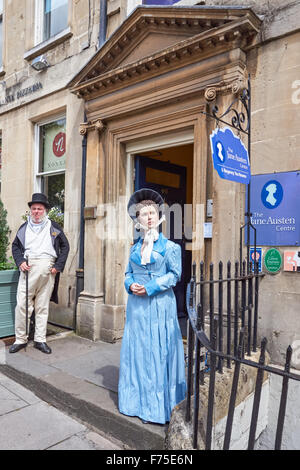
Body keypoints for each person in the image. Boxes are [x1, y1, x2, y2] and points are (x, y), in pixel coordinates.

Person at [118, 188, 186, 424]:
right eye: (144, 214)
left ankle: (157, 408)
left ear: (159, 217)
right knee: (137, 352)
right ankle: (135, 403)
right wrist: (131, 285)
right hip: (137, 307)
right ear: (137, 220)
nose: (148, 217)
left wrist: (151, 286)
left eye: (152, 213)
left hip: (159, 306)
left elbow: (175, 275)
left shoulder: (171, 248)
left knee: (158, 353)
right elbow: (127, 273)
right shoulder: (134, 248)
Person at [9, 193, 69, 354]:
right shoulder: (23, 228)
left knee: (42, 306)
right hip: (29, 269)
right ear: (30, 210)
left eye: (39, 209)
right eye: (34, 209)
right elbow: (15, 247)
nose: (36, 211)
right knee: (22, 305)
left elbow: (65, 247)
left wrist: (58, 266)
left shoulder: (54, 227)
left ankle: (40, 340)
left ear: (45, 211)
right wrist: (20, 261)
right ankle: (20, 339)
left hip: (48, 269)